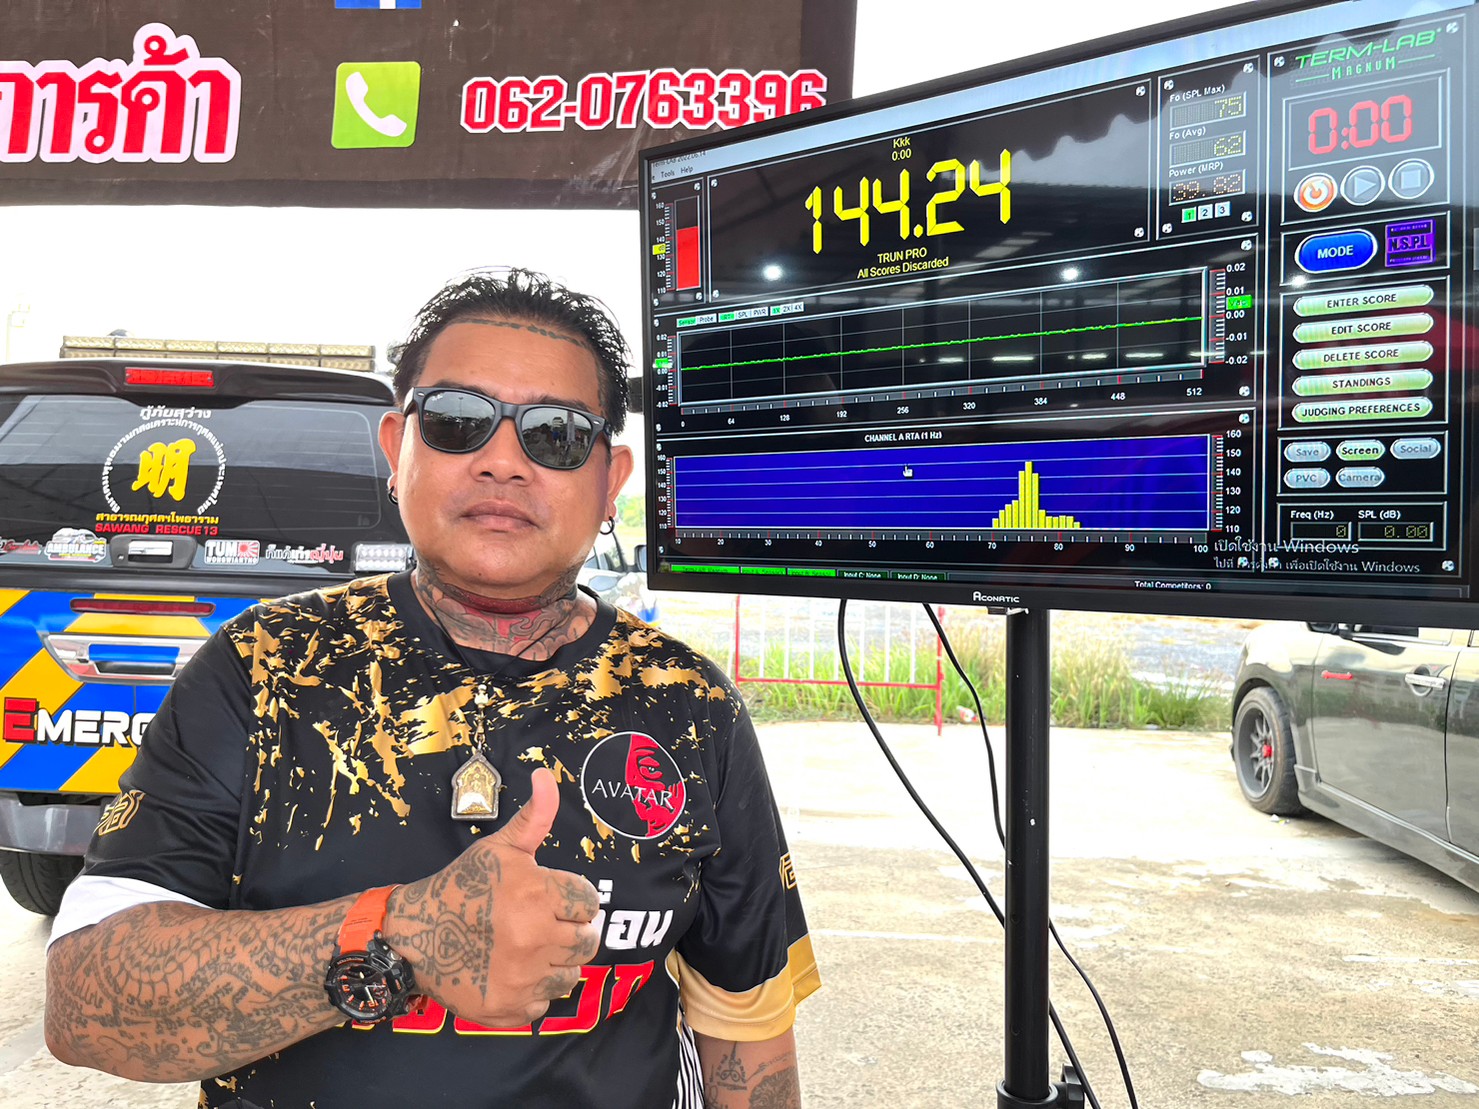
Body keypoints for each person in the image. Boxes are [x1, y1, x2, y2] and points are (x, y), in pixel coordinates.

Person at [45, 268, 819, 1108]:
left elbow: (747, 1038)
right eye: (457, 421)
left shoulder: (688, 704)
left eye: (556, 434)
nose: (502, 462)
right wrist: (395, 937)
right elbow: (85, 1004)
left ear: (610, 479)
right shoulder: (263, 668)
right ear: (396, 448)